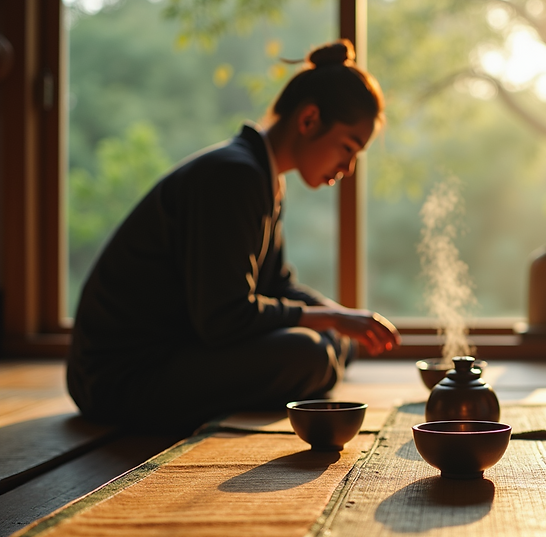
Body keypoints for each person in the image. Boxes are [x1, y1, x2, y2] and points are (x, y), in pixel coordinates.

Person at [67, 39, 400, 431]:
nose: (348, 168)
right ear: (309, 119)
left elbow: (276, 284)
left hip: (181, 350)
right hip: (121, 377)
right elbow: (224, 317)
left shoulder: (263, 176)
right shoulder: (234, 175)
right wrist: (331, 319)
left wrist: (340, 318)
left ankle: (323, 358)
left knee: (336, 342)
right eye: (348, 148)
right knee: (307, 354)